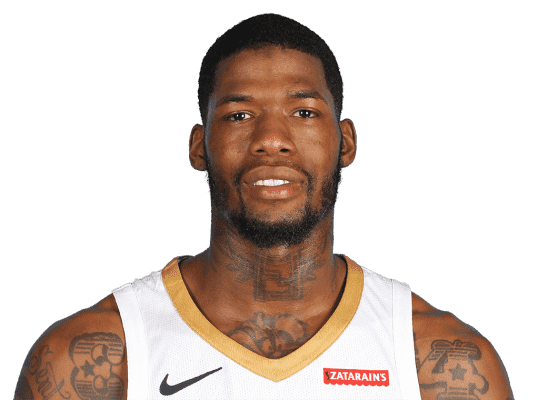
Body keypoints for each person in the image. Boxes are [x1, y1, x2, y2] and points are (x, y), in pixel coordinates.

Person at [14, 13, 513, 400]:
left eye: (304, 111)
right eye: (239, 115)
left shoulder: (442, 366)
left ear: (345, 142)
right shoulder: (94, 361)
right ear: (198, 147)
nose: (272, 139)